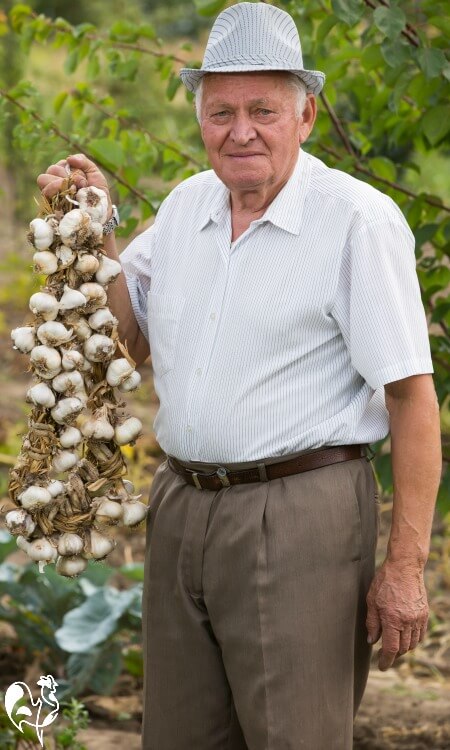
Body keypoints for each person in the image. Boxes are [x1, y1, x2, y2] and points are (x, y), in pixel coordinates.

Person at [37, 3, 442, 748]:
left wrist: (405, 567)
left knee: (294, 737)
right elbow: (128, 341)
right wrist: (92, 234)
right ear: (200, 119)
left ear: (306, 115)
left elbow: (413, 401)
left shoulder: (357, 220)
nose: (240, 130)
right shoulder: (188, 205)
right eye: (221, 111)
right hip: (182, 505)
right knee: (180, 735)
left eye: (263, 109)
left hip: (300, 516)